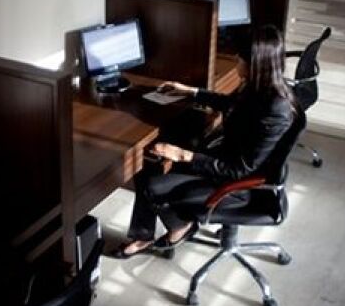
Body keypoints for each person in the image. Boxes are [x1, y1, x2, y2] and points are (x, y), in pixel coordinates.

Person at [112, 25, 301, 258]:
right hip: (227, 157)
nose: (236, 60)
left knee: (151, 183)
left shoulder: (275, 109)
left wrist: (183, 155)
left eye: (241, 57)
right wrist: (192, 92)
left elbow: (240, 169)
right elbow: (234, 105)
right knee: (153, 158)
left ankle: (180, 227)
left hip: (239, 186)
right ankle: (145, 234)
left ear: (256, 64)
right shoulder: (262, 87)